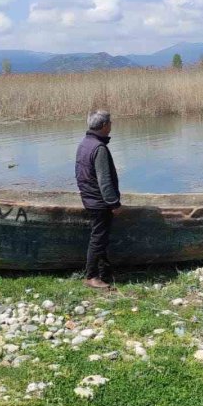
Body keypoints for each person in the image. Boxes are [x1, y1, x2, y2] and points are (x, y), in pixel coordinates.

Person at [75, 110, 121, 289]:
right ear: (104, 126)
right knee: (98, 238)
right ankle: (92, 276)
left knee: (100, 236)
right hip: (98, 202)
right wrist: (113, 203)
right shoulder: (99, 148)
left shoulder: (85, 143)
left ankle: (105, 270)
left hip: (89, 198)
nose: (111, 126)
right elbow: (104, 181)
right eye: (110, 123)